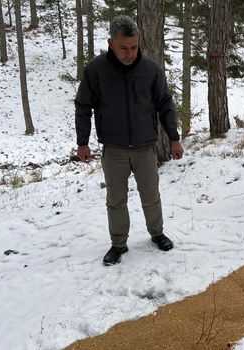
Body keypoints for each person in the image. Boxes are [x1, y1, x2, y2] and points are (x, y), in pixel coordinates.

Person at [74, 16, 184, 265]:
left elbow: (165, 105)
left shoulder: (151, 69)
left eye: (134, 47)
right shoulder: (96, 70)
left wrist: (174, 138)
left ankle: (157, 233)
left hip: (145, 146)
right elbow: (83, 106)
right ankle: (118, 243)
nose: (130, 52)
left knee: (151, 194)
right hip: (113, 148)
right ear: (111, 43)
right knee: (116, 199)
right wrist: (82, 142)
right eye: (124, 47)